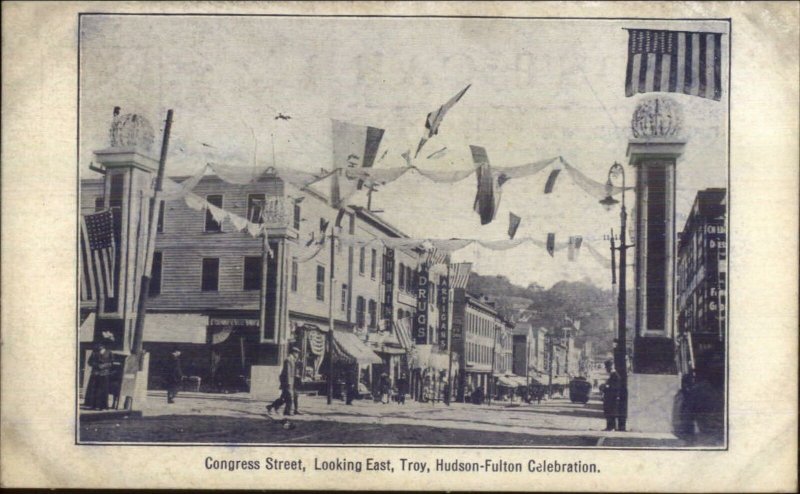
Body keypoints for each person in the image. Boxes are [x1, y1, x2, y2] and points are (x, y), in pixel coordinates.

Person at [266, 346, 301, 416]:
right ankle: (287, 411)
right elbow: (287, 372)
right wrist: (289, 382)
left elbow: (292, 371)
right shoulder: (288, 360)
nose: (297, 355)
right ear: (293, 353)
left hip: (290, 381)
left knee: (284, 397)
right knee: (289, 397)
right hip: (287, 382)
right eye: (297, 353)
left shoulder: (293, 360)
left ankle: (271, 406)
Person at [85, 339, 113, 410]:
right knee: (94, 390)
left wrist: (104, 366)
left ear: (104, 346)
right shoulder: (94, 353)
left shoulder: (109, 352)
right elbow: (89, 362)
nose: (99, 346)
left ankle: (103, 406)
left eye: (101, 345)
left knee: (104, 390)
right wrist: (96, 365)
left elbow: (111, 363)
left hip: (105, 374)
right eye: (98, 345)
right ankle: (93, 405)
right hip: (95, 373)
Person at [600, 359, 626, 431]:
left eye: (607, 367)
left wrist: (606, 386)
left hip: (612, 397)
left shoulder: (615, 375)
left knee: (611, 412)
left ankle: (611, 427)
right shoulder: (612, 375)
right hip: (609, 397)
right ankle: (609, 426)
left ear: (610, 367)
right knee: (608, 411)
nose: (606, 369)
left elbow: (615, 387)